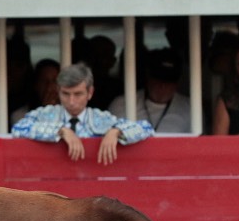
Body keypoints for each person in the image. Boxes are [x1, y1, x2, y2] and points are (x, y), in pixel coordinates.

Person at [11, 62, 153, 165]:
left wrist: (116, 132)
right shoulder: (46, 114)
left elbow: (147, 128)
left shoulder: (100, 119)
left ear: (90, 93)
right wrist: (61, 131)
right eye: (66, 94)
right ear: (59, 91)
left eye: (78, 94)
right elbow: (19, 128)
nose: (71, 101)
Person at [109, 48, 192, 134]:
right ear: (148, 76)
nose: (162, 85)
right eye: (158, 78)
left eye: (168, 81)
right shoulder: (121, 104)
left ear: (177, 82)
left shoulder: (190, 108)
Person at [10, 58, 60, 128]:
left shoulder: (71, 113)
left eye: (54, 81)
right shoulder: (20, 115)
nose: (49, 88)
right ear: (36, 85)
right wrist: (46, 111)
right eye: (43, 81)